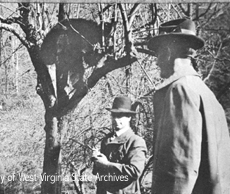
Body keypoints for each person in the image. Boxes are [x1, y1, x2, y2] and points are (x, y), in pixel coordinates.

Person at [148, 18, 230, 194]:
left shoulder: (180, 90)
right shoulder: (205, 92)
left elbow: (178, 171)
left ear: (168, 52)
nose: (156, 62)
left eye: (158, 54)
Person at [91, 96, 147, 194]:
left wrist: (107, 164)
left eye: (120, 116)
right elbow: (97, 173)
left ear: (129, 117)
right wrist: (96, 160)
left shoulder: (136, 141)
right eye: (114, 115)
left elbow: (135, 171)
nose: (116, 119)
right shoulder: (106, 140)